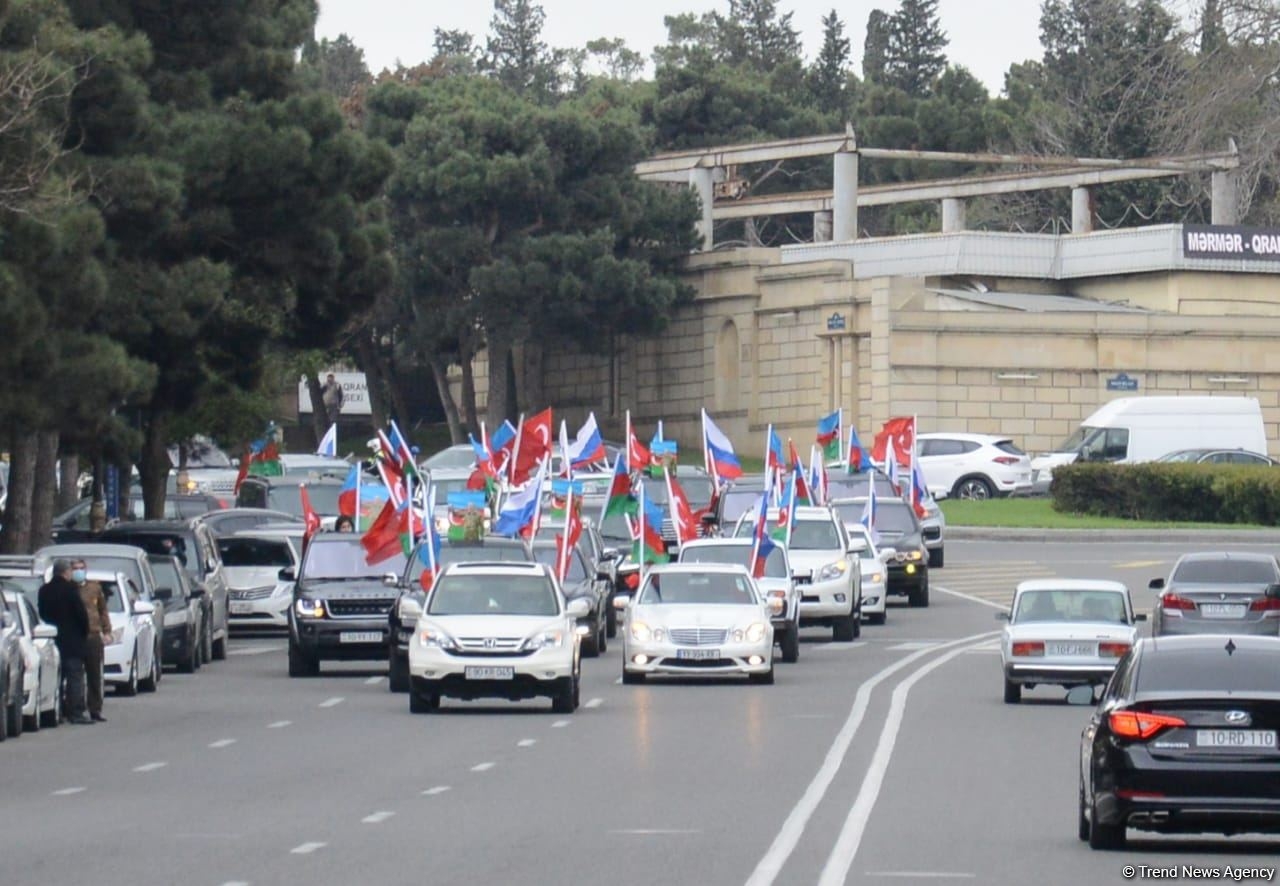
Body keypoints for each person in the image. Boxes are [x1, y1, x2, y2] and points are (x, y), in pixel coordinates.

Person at [38, 559, 92, 725]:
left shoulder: (44, 590)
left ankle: (58, 710)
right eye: (70, 571)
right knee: (74, 676)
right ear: (65, 572)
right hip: (72, 639)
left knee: (57, 677)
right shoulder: (71, 590)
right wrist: (84, 631)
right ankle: (75, 712)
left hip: (52, 638)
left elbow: (42, 612)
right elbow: (81, 615)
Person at [72, 559, 111, 722]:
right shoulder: (69, 589)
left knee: (95, 674)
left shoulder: (94, 588)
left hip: (93, 635)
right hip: (75, 636)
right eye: (75, 569)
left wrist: (107, 631)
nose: (78, 571)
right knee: (75, 674)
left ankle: (95, 708)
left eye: (81, 568)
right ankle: (75, 708)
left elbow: (103, 611)